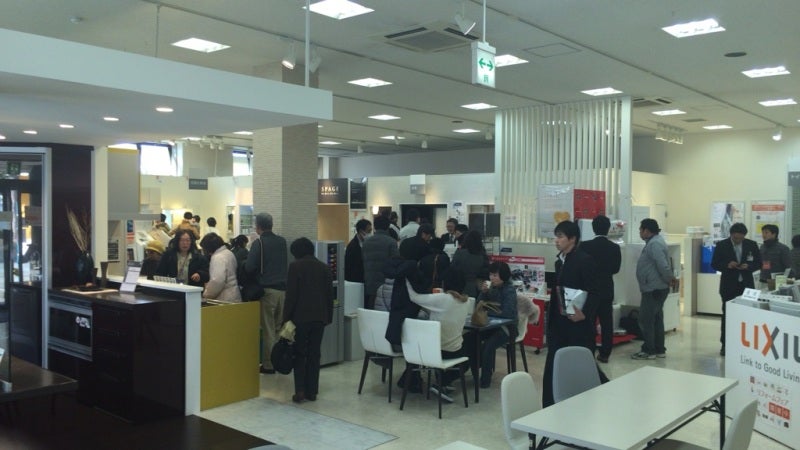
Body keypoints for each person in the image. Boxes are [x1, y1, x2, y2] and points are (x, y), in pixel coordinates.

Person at [542, 220, 604, 407]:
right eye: (556, 236)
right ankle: (550, 407)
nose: (556, 240)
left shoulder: (585, 260)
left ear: (572, 239)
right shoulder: (560, 261)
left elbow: (596, 292)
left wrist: (584, 313)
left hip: (577, 327)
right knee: (554, 367)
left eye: (560, 236)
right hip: (558, 325)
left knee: (581, 368)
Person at [283, 237, 334, 403]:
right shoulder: (324, 267)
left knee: (300, 354)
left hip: (300, 317)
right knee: (314, 354)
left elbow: (291, 295)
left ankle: (300, 391)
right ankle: (312, 391)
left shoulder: (295, 267)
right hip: (320, 317)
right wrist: (328, 317)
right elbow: (329, 295)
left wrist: (286, 318)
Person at [406, 270, 470, 400]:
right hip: (456, 351)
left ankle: (440, 382)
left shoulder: (442, 299)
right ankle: (444, 381)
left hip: (436, 352)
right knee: (468, 351)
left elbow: (414, 297)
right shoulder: (467, 301)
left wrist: (406, 279)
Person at [245, 213, 288, 374]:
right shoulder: (282, 242)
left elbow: (249, 267)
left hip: (267, 291)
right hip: (283, 291)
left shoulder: (259, 243)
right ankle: (279, 361)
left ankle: (269, 364)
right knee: (278, 328)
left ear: (258, 227)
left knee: (268, 329)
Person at [711, 222, 760, 356]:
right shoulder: (722, 245)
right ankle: (725, 345)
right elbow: (714, 264)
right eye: (735, 238)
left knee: (748, 316)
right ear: (731, 235)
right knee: (727, 315)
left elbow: (758, 263)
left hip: (747, 286)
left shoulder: (751, 245)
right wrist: (727, 265)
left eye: (740, 238)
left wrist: (748, 266)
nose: (738, 240)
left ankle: (746, 346)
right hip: (728, 286)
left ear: (744, 236)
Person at [632, 218, 676, 361]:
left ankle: (649, 350)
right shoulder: (654, 242)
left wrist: (669, 278)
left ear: (646, 230)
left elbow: (662, 264)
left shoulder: (654, 244)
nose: (640, 232)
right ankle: (659, 349)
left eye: (640, 229)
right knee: (656, 319)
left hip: (653, 288)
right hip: (655, 287)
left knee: (646, 319)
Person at [579, 215, 621, 363]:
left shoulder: (584, 246)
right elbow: (616, 269)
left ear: (593, 228)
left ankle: (588, 351)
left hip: (590, 289)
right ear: (608, 228)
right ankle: (605, 353)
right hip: (607, 289)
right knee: (606, 322)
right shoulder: (615, 248)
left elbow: (581, 267)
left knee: (589, 321)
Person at [475, 261, 517, 389]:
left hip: (508, 328)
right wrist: (483, 292)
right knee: (471, 339)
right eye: (490, 275)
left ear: (503, 276)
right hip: (491, 326)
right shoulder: (492, 289)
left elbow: (508, 313)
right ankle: (474, 370)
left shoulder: (509, 290)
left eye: (495, 275)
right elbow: (478, 306)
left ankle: (485, 380)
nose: (491, 278)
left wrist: (488, 313)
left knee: (488, 346)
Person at [362, 215, 399, 309]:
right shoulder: (391, 242)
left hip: (369, 281)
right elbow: (396, 262)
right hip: (385, 283)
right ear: (388, 226)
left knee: (370, 308)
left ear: (375, 226)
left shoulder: (366, 242)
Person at [199, 233, 241, 302]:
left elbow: (217, 281)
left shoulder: (218, 258)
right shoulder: (229, 253)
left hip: (224, 298)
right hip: (234, 294)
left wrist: (206, 294)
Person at [451, 230, 489, 298]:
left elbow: (452, 269)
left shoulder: (459, 253)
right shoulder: (482, 255)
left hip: (459, 287)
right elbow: (486, 273)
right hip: (477, 288)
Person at [345, 219, 372, 283]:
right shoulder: (352, 246)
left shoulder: (368, 243)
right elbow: (350, 267)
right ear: (361, 231)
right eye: (368, 231)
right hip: (356, 280)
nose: (370, 234)